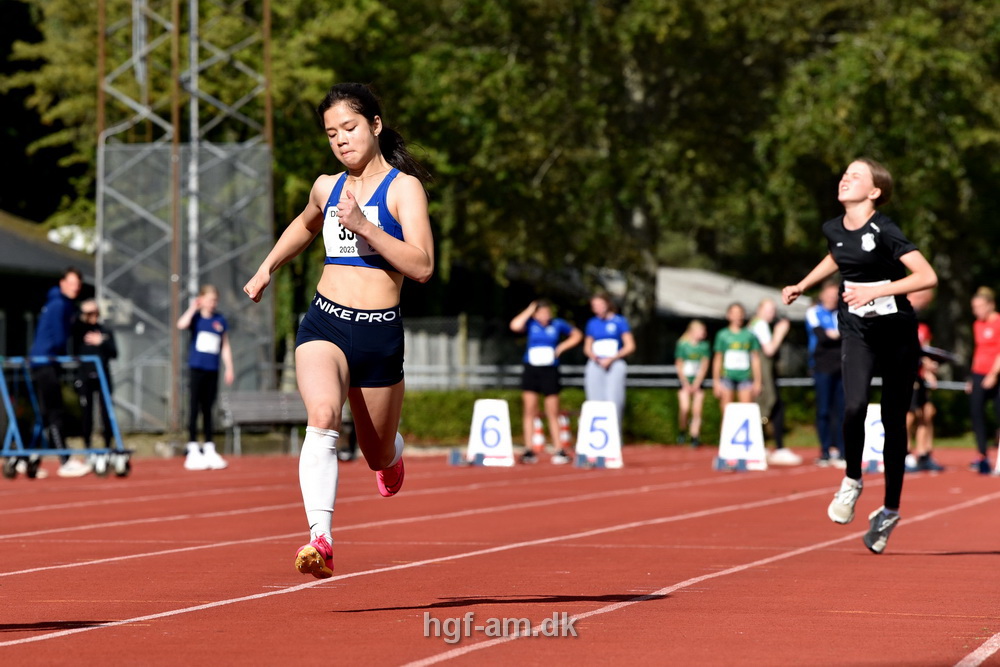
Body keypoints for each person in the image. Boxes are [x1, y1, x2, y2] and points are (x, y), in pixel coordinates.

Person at [243, 82, 433, 579]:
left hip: (378, 333)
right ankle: (319, 538)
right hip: (325, 322)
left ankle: (393, 456)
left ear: (374, 125)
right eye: (331, 134)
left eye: (349, 128)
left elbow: (423, 266)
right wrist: (268, 267)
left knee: (375, 455)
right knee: (323, 414)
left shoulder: (404, 188)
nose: (341, 140)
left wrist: (367, 227)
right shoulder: (326, 186)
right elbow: (305, 225)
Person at [782, 157, 937, 554]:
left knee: (893, 420)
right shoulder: (833, 228)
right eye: (844, 173)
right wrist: (802, 283)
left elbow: (926, 276)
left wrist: (876, 290)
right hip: (857, 330)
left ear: (874, 192)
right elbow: (837, 256)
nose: (844, 178)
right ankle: (852, 480)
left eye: (856, 176)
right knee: (853, 407)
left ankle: (889, 510)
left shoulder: (884, 229)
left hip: (897, 333)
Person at [29, 267, 89, 478]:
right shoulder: (59, 304)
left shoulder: (64, 304)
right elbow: (58, 334)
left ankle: (27, 458)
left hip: (48, 361)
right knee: (54, 410)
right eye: (71, 283)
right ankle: (64, 460)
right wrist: (63, 354)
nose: (75, 288)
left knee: (45, 413)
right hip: (45, 361)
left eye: (77, 285)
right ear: (63, 283)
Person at [509, 299, 583, 464]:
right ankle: (529, 449)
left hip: (550, 370)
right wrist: (529, 309)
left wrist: (561, 348)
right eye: (541, 312)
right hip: (532, 369)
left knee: (552, 410)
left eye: (547, 312)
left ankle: (559, 449)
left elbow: (577, 335)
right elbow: (514, 325)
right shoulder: (530, 324)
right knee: (529, 409)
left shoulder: (557, 324)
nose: (545, 315)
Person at [176, 285, 234, 471]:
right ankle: (192, 446)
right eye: (209, 299)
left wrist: (229, 368)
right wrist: (194, 307)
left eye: (215, 300)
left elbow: (224, 346)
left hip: (213, 369)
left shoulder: (220, 320)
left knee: (208, 409)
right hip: (196, 369)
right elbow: (181, 324)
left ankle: (209, 446)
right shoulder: (196, 318)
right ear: (202, 299)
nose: (212, 303)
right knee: (194, 407)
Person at [750, 298, 801, 466]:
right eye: (768, 309)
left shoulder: (755, 324)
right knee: (768, 404)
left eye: (773, 310)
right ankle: (769, 445)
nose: (772, 313)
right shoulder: (760, 325)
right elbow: (769, 349)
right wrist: (780, 332)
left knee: (770, 405)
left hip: (761, 370)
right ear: (759, 309)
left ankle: (772, 445)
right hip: (761, 371)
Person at [805, 279, 846, 467]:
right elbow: (822, 336)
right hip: (821, 365)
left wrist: (834, 334)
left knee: (842, 409)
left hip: (842, 365)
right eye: (828, 295)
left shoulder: (842, 313)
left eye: (834, 296)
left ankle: (842, 450)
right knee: (823, 409)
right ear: (821, 296)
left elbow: (847, 334)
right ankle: (825, 450)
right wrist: (833, 334)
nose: (831, 299)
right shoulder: (813, 312)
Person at [583, 291, 636, 429]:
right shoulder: (592, 323)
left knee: (614, 399)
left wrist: (612, 358)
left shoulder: (619, 321)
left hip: (614, 363)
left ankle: (614, 434)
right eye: (594, 306)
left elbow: (630, 345)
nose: (597, 308)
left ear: (607, 304)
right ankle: (595, 434)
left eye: (600, 304)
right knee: (595, 399)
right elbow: (587, 347)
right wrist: (595, 357)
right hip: (596, 363)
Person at [71, 299, 118, 451]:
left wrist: (101, 342)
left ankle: (108, 446)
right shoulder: (79, 330)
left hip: (103, 377)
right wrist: (82, 312)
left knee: (106, 413)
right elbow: (73, 325)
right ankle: (87, 446)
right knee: (86, 414)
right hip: (85, 377)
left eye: (95, 312)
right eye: (90, 313)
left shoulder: (104, 330)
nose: (93, 316)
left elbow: (114, 353)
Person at [905, 287, 943, 473]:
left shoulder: (923, 327)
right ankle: (904, 453)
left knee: (928, 412)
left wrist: (930, 369)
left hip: (919, 376)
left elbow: (926, 352)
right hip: (907, 374)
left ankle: (924, 453)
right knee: (909, 415)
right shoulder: (901, 320)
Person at [967, 286, 1000, 474]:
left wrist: (994, 374)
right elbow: (978, 350)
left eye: (979, 307)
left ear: (989, 305)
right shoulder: (977, 324)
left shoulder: (998, 322)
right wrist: (973, 377)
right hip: (979, 373)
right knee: (976, 413)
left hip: (996, 374)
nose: (976, 311)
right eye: (974, 307)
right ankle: (981, 455)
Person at [712, 302, 762, 414]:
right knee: (726, 413)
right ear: (728, 315)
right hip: (726, 377)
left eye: (740, 313)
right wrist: (716, 381)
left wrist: (758, 381)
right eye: (734, 313)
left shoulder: (750, 335)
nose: (737, 316)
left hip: (745, 377)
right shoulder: (722, 335)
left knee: (746, 412)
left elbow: (755, 359)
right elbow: (718, 359)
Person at [674, 320, 711, 448]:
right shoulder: (683, 345)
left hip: (698, 382)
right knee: (685, 408)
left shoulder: (704, 346)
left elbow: (704, 365)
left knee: (697, 410)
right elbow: (679, 365)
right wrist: (685, 383)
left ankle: (695, 435)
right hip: (684, 382)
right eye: (701, 330)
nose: (704, 333)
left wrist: (697, 382)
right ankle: (682, 431)